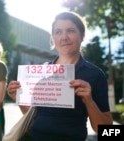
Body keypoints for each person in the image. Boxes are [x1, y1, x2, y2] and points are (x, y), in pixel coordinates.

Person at [7, 11, 113, 141]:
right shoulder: (41, 71)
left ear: (83, 35)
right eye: (58, 32)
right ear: (53, 38)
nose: (64, 37)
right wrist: (20, 99)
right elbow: (35, 117)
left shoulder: (95, 75)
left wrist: (89, 101)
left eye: (71, 30)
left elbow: (108, 132)